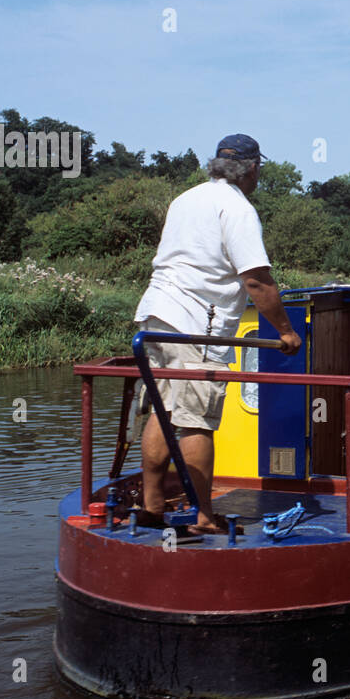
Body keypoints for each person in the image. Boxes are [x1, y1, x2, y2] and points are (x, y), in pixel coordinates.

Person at [134, 134, 302, 533]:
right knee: (197, 421)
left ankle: (153, 506)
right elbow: (257, 281)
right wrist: (287, 333)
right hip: (196, 327)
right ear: (252, 168)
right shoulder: (237, 208)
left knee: (164, 409)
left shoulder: (186, 198)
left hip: (155, 318)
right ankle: (205, 517)